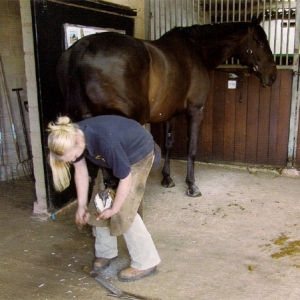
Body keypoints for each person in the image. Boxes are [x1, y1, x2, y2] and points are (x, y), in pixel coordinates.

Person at [47, 115, 161, 282]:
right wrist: (81, 206)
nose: (73, 160)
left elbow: (126, 178)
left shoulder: (107, 143)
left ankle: (146, 262)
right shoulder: (72, 136)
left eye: (72, 157)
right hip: (113, 157)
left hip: (138, 155)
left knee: (124, 210)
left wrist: (115, 208)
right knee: (99, 203)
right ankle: (106, 252)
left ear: (79, 142)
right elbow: (80, 171)